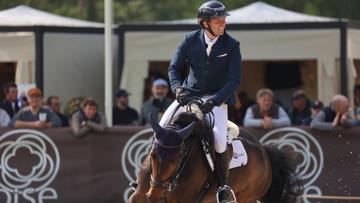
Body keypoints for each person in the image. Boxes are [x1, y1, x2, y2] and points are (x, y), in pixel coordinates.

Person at [159, 1, 241, 201]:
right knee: (160, 130)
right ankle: (145, 178)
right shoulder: (189, 40)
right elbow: (174, 69)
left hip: (216, 99)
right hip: (188, 93)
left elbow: (234, 80)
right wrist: (177, 89)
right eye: (218, 21)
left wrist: (215, 100)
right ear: (205, 23)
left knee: (220, 141)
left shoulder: (231, 45)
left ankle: (223, 188)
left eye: (224, 20)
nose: (223, 24)